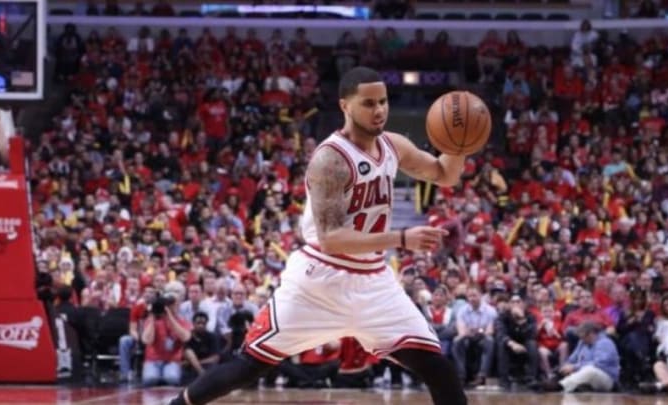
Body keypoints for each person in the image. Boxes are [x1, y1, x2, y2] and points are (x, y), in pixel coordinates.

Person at [168, 66, 468, 405]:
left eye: (383, 101)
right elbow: (332, 238)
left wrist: (459, 144)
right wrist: (401, 239)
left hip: (373, 281)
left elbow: (444, 174)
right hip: (319, 279)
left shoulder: (393, 146)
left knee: (435, 365)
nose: (380, 110)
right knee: (250, 365)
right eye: (368, 103)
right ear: (345, 106)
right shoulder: (330, 159)